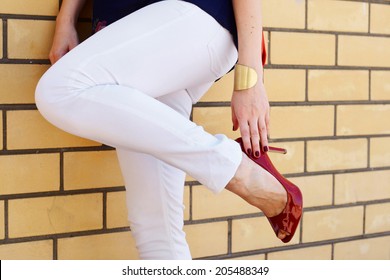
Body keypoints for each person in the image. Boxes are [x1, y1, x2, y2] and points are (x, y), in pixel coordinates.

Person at [35, 0, 302, 260]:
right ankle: (238, 170)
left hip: (192, 17)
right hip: (132, 31)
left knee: (58, 90)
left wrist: (250, 77)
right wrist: (66, 19)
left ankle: (236, 169)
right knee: (156, 230)